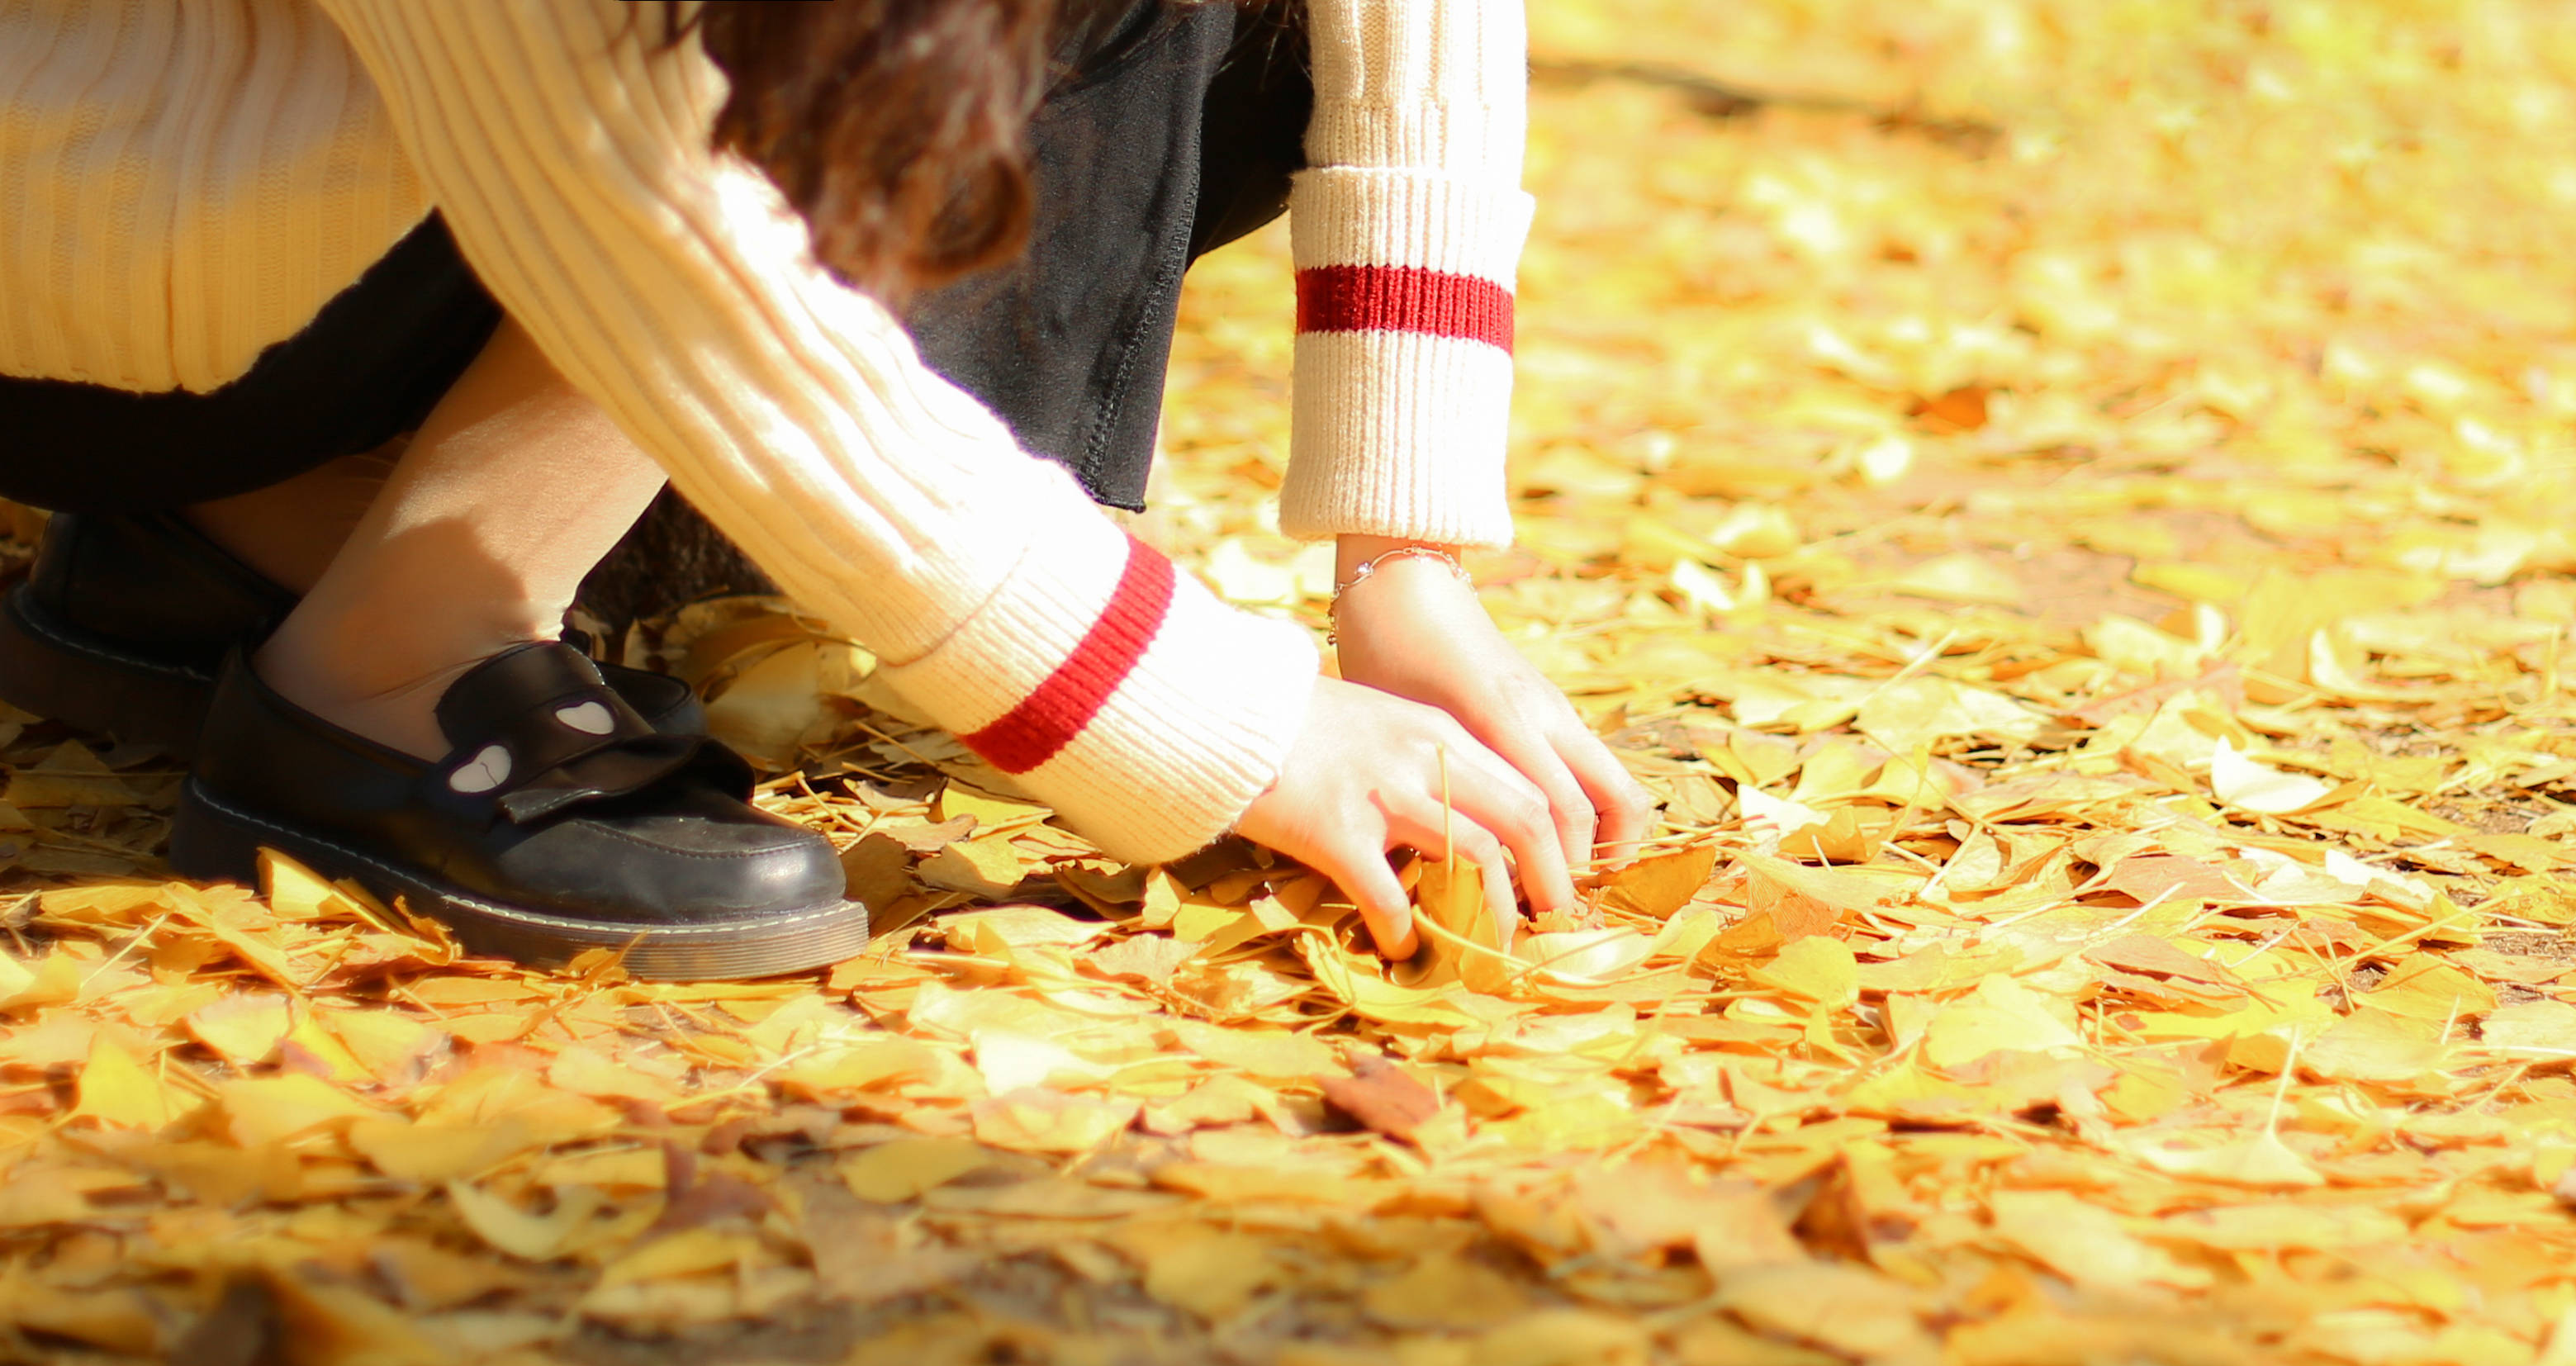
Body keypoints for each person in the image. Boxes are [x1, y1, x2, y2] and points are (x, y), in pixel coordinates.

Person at [0, 0, 1653, 979]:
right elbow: (643, 214)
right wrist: (1230, 727)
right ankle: (395, 658)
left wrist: (1403, 559)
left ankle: (264, 529)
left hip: (374, 197)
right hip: (104, 236)